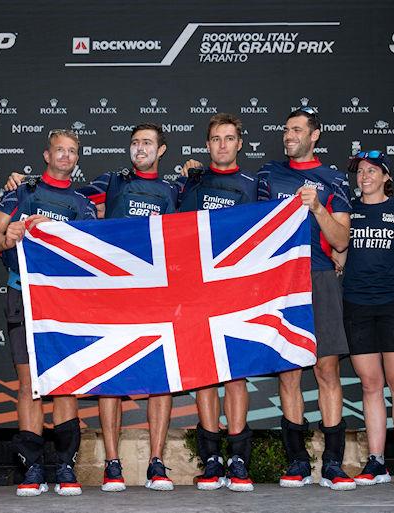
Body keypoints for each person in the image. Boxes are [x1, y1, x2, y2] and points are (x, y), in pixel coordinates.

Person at [5, 123, 179, 492]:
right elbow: (64, 194)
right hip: (113, 291)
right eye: (134, 143)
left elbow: (187, 231)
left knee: (161, 378)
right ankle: (112, 464)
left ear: (161, 150)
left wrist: (195, 173)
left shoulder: (173, 190)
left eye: (147, 143)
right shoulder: (110, 183)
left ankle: (157, 463)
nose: (140, 148)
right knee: (108, 374)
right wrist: (20, 185)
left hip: (155, 292)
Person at [0, 129, 96, 496]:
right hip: (23, 294)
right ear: (46, 155)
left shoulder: (82, 204)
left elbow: (93, 254)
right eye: (59, 150)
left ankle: (65, 465)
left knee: (64, 382)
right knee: (30, 384)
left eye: (72, 151)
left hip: (65, 300)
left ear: (76, 159)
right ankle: (31, 466)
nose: (65, 156)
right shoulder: (22, 192)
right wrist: (9, 235)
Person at [257, 108, 355, 491]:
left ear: (315, 135)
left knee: (327, 370)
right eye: (286, 130)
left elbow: (342, 240)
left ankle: (332, 462)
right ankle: (297, 460)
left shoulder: (332, 180)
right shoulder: (268, 174)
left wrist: (316, 207)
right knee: (288, 372)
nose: (288, 135)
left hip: (319, 277)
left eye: (297, 130)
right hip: (279, 281)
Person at [332, 150, 394, 488]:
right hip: (356, 304)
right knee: (370, 385)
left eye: (372, 171)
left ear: (386, 176)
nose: (364, 176)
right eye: (360, 172)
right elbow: (337, 248)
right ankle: (376, 461)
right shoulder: (348, 211)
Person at [177, 114, 257, 492]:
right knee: (205, 375)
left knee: (236, 374)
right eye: (215, 139)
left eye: (229, 138)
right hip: (196, 292)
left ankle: (238, 460)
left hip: (236, 292)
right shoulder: (191, 183)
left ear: (239, 143)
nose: (222, 145)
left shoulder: (254, 186)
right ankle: (211, 459)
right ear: (207, 145)